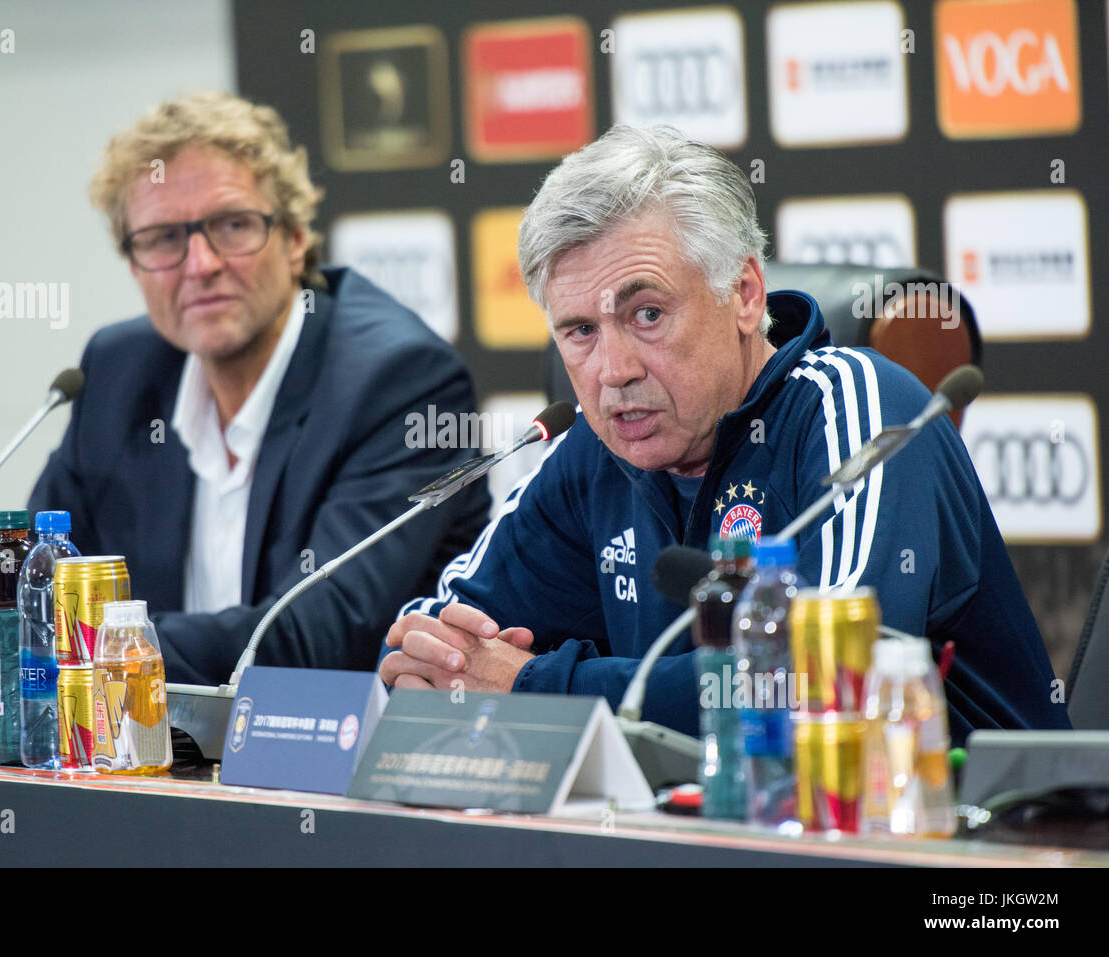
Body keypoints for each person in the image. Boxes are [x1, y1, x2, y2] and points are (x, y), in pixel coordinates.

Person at [379, 125, 1070, 747]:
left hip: (985, 842)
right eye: (580, 331)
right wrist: (445, 669)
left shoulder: (863, 411)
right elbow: (436, 633)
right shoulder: (597, 449)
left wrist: (542, 688)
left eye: (647, 313)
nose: (613, 371)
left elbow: (827, 675)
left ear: (744, 294)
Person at [0, 91, 488, 691]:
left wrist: (27, 646)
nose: (200, 264)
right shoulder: (117, 372)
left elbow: (311, 639)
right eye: (164, 238)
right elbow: (43, 586)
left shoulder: (397, 383)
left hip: (347, 780)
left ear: (292, 239)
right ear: (133, 261)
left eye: (231, 225)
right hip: (159, 769)